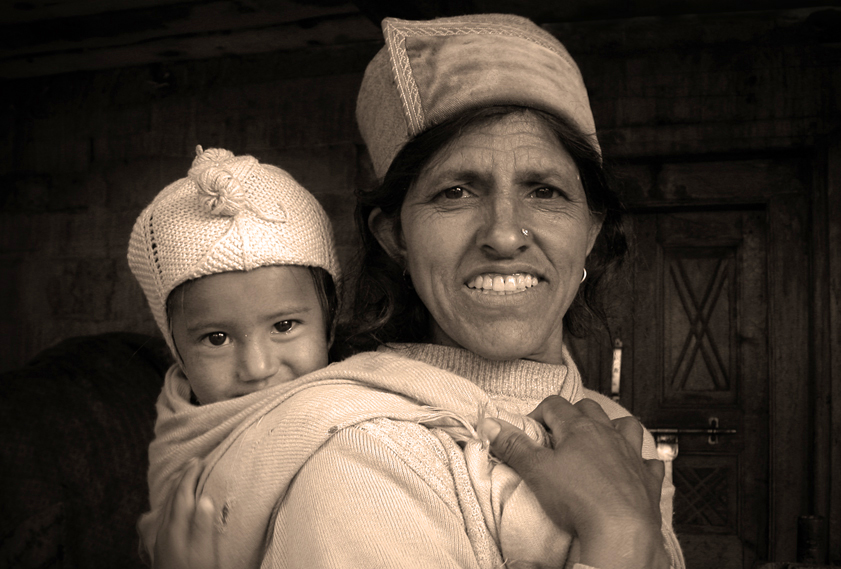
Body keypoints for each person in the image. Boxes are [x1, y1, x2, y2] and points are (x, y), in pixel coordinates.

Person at [144, 13, 686, 569]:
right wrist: (620, 534)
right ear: (397, 237)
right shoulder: (366, 456)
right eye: (456, 192)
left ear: (590, 232)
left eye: (544, 191)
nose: (504, 235)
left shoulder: (620, 434)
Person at [127, 145, 340, 565]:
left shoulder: (367, 420)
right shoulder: (178, 444)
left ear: (329, 322)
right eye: (217, 338)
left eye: (284, 326)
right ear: (176, 347)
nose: (257, 368)